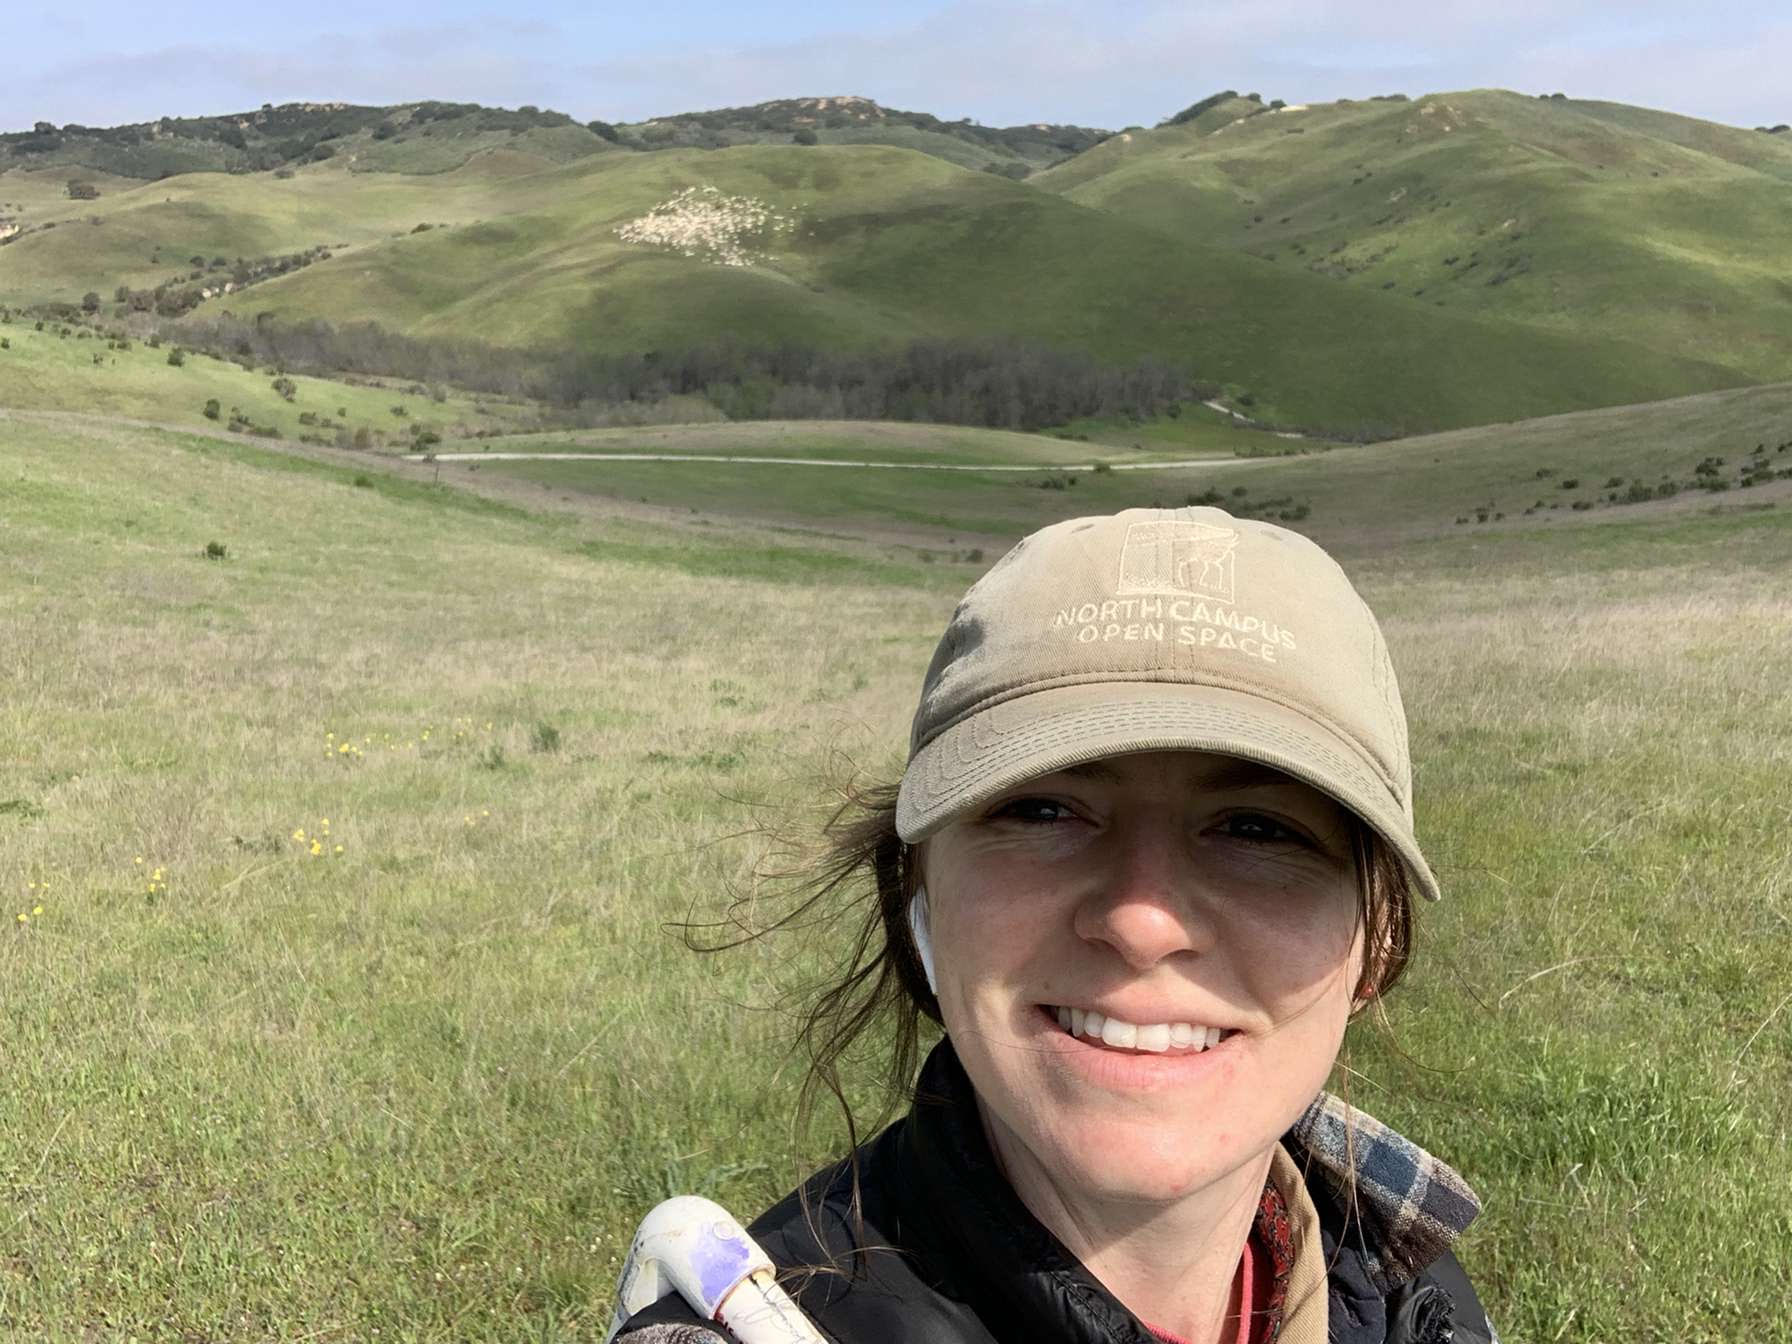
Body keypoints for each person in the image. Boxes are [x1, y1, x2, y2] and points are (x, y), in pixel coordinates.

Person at [616, 507, 1494, 1344]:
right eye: (1043, 810)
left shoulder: (1408, 1291)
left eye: (1257, 829)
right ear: (916, 889)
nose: (1144, 922)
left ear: (1376, 932)